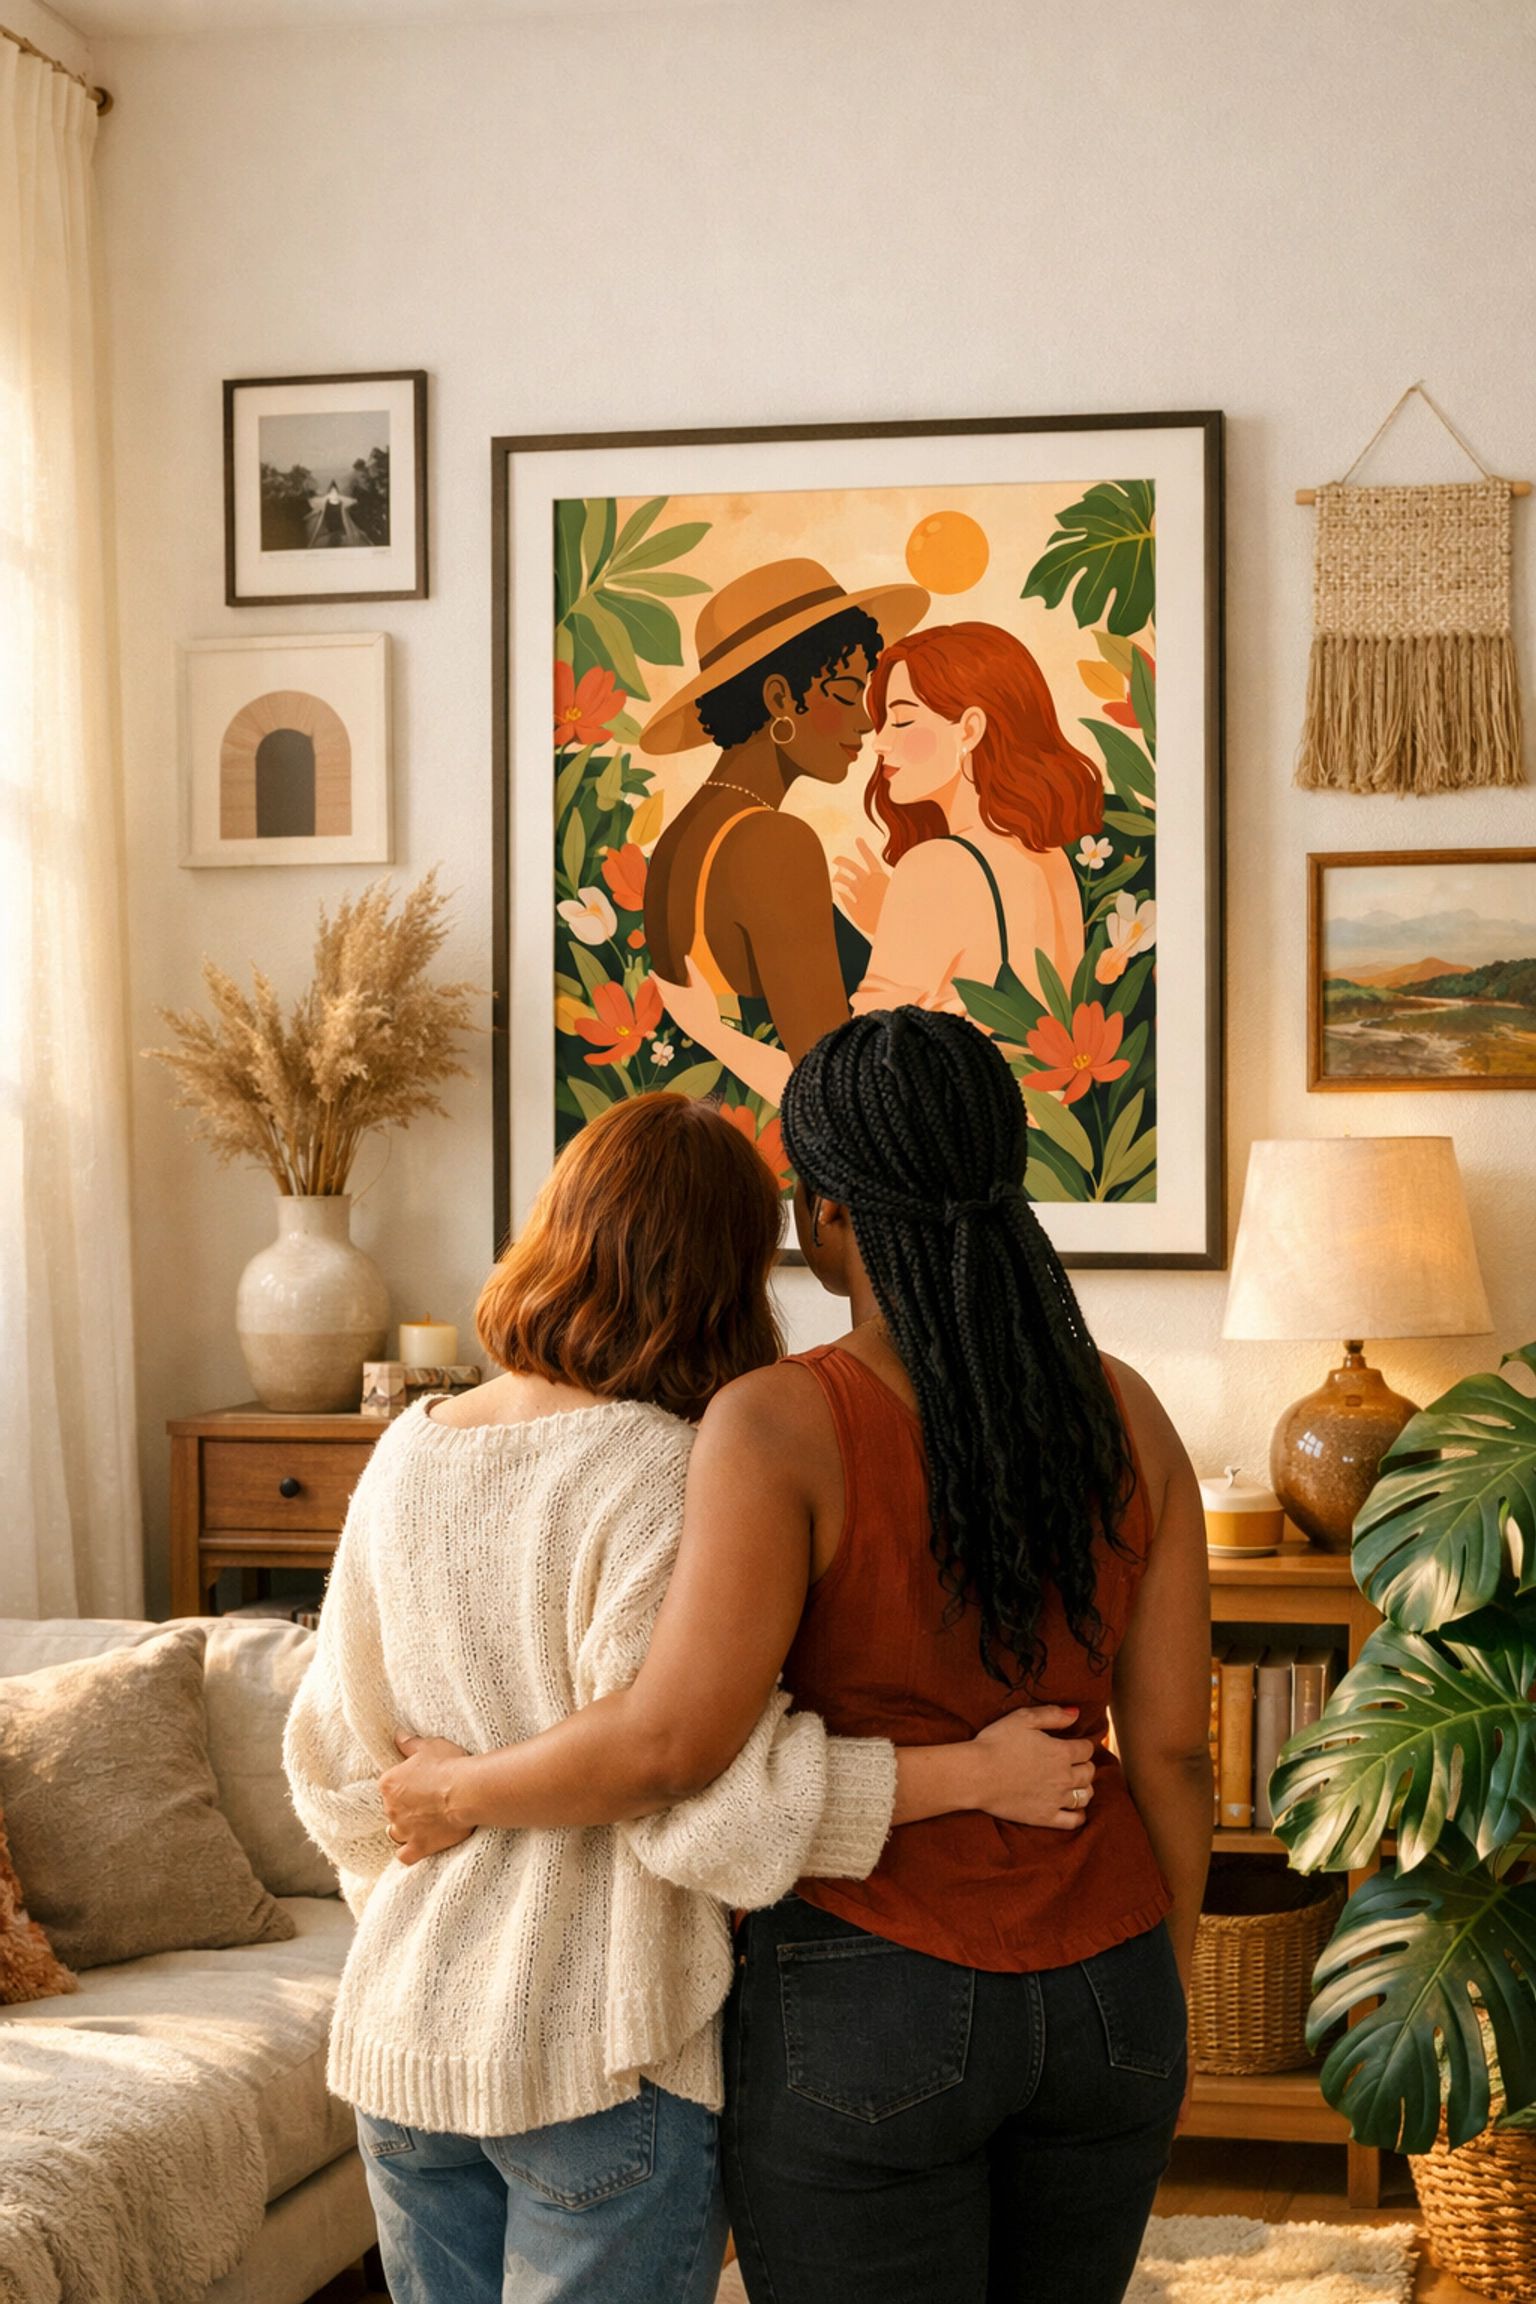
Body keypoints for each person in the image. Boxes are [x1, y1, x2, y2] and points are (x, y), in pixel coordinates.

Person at [380, 1011, 1212, 2304]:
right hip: (1109, 1978)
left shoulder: (777, 1424)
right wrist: (1163, 1988)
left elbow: (671, 1744)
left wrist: (454, 1791)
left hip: (870, 1998)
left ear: (823, 1218)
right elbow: (1168, 1750)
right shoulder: (1130, 1408)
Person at [657, 623, 1106, 1108]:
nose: (879, 742)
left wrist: (710, 1032)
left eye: (903, 720)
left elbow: (845, 1097)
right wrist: (892, 924)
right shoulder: (1048, 858)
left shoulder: (936, 866)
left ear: (970, 730)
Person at [642, 556, 928, 1069]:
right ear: (779, 698)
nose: (865, 721)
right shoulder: (771, 843)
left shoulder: (683, 835)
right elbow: (827, 1080)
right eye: (845, 693)